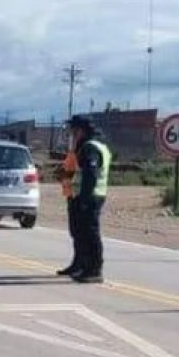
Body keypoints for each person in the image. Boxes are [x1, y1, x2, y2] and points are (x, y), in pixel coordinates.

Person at [66, 115, 111, 284]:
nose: (72, 133)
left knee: (90, 233)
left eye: (73, 130)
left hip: (90, 196)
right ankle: (85, 266)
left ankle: (94, 269)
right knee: (82, 233)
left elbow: (90, 175)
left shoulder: (89, 148)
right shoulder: (94, 145)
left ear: (81, 130)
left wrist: (84, 198)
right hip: (90, 195)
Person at [55, 131, 81, 276]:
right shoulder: (75, 152)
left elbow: (72, 173)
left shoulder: (83, 150)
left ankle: (81, 264)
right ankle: (77, 263)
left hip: (78, 196)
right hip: (72, 195)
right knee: (75, 233)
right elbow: (66, 171)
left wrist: (64, 174)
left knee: (80, 233)